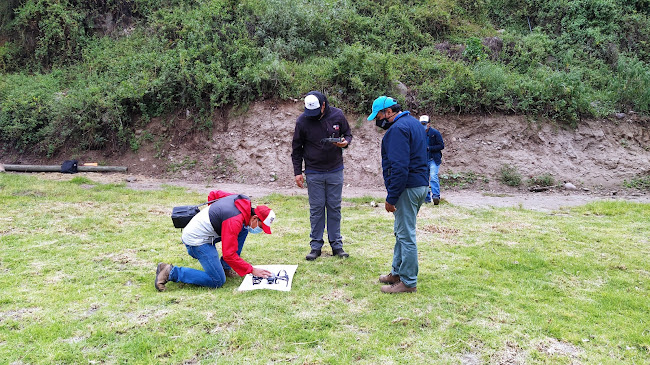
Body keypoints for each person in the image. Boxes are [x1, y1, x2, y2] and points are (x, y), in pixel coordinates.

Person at [155, 190, 276, 291]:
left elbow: (214, 194)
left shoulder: (243, 201)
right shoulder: (234, 221)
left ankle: (225, 268)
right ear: (255, 217)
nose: (259, 230)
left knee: (243, 229)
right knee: (217, 280)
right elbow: (229, 254)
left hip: (202, 232)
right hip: (196, 241)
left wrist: (215, 218)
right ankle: (170, 272)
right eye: (260, 227)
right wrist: (251, 270)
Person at [367, 96, 429, 294]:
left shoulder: (397, 130)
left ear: (388, 112)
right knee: (401, 231)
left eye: (378, 116)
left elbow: (399, 167)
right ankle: (397, 272)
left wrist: (391, 197)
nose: (378, 121)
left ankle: (408, 282)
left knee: (405, 234)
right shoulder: (414, 124)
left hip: (407, 188)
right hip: (419, 185)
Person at [291, 91, 353, 260]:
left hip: (335, 170)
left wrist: (345, 142)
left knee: (334, 208)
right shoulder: (302, 121)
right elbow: (297, 149)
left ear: (323, 105)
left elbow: (348, 134)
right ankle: (316, 246)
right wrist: (298, 172)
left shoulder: (337, 115)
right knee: (316, 209)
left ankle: (337, 246)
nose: (312, 116)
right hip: (313, 171)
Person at [420, 115, 445, 205]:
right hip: (423, 160)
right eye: (421, 124)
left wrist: (429, 148)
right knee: (424, 179)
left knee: (433, 176)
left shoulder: (435, 133)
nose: (423, 125)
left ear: (429, 124)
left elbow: (441, 146)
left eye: (424, 124)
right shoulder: (419, 133)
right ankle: (426, 198)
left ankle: (436, 196)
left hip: (434, 159)